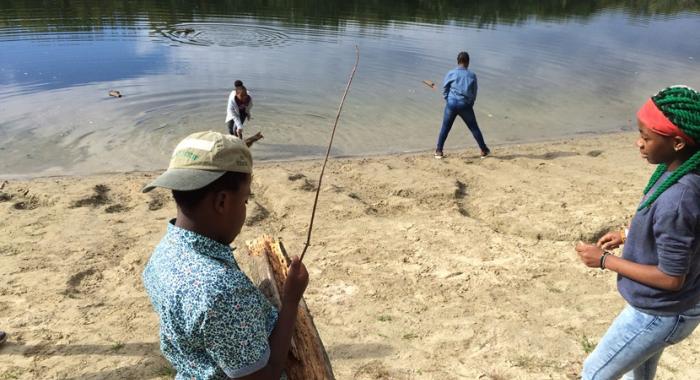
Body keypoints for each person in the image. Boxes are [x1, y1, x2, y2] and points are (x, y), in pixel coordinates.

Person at [142, 131, 308, 379]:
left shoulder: (163, 254)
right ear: (222, 202)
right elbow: (265, 374)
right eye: (245, 201)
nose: (244, 209)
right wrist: (292, 299)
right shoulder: (223, 291)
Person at [575, 86, 700, 379]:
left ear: (679, 143)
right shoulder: (679, 172)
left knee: (594, 373)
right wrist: (628, 234)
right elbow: (684, 234)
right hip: (673, 308)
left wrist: (605, 260)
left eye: (646, 137)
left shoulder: (678, 198)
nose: (638, 144)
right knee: (639, 375)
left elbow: (671, 277)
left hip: (660, 312)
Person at [435, 51, 490, 159]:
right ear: (468, 62)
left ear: (457, 61)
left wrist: (448, 99)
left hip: (451, 103)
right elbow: (474, 93)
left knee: (445, 127)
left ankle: (439, 151)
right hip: (465, 104)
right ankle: (483, 150)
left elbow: (445, 89)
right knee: (474, 128)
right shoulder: (472, 75)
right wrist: (470, 103)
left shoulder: (451, 73)